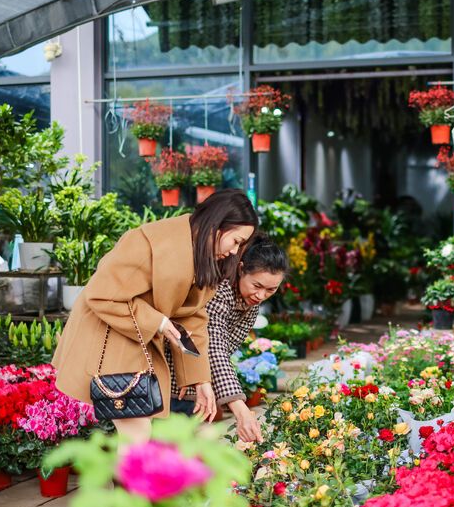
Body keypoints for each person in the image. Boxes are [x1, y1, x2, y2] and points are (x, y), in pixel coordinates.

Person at [53, 189, 258, 444]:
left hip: (136, 340)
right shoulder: (148, 242)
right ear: (217, 226)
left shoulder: (200, 254)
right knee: (138, 435)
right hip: (110, 336)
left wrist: (201, 379)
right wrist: (159, 323)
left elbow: (194, 319)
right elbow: (101, 294)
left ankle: (126, 483)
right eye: (236, 241)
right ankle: (133, 484)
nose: (234, 251)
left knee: (139, 434)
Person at [172, 233, 287, 443]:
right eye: (257, 286)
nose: (261, 295)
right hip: (174, 381)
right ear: (241, 269)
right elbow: (213, 347)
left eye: (271, 289)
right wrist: (240, 409)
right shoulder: (220, 290)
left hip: (195, 384)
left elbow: (223, 350)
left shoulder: (250, 305)